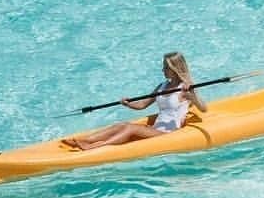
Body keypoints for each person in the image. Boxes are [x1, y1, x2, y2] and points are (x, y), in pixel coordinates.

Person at [63, 52, 206, 150]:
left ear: (175, 69)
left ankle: (95, 146)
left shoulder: (185, 88)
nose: (163, 70)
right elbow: (142, 105)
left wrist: (191, 96)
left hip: (170, 134)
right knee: (122, 125)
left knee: (131, 128)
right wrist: (128, 104)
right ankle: (86, 140)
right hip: (156, 130)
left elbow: (203, 108)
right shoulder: (162, 86)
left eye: (166, 67)